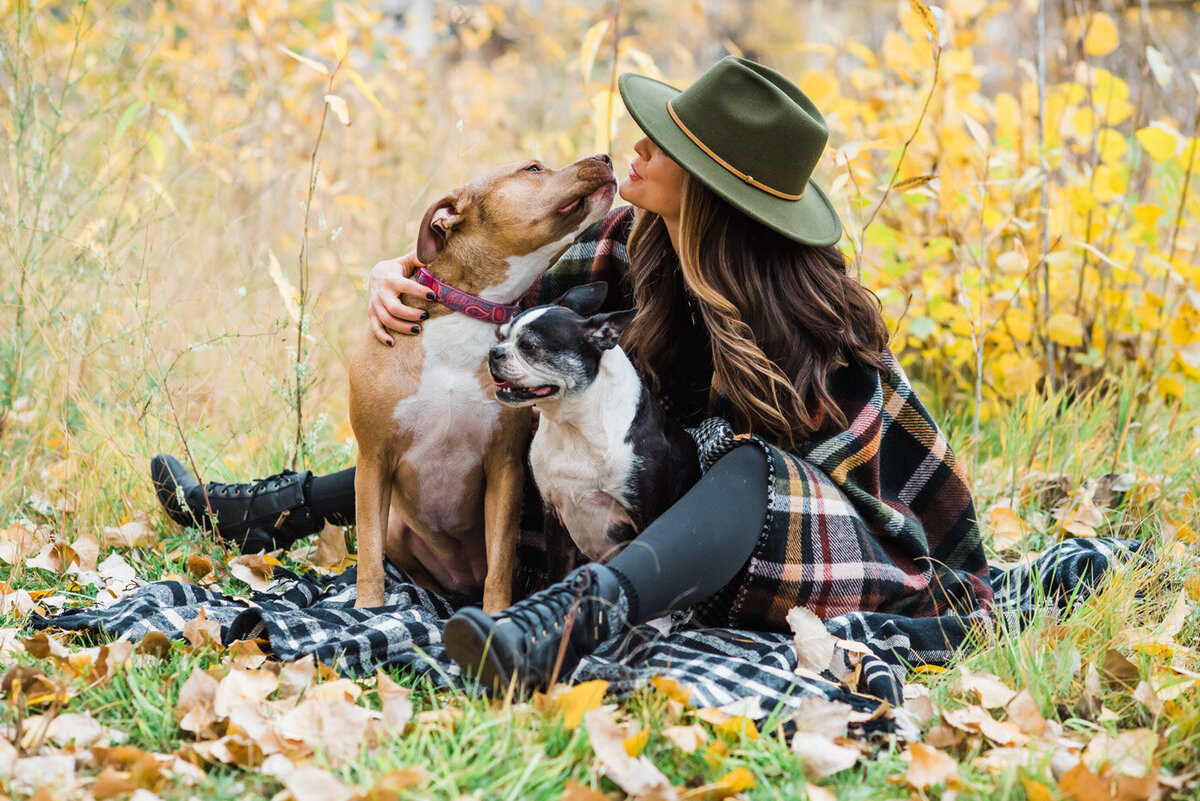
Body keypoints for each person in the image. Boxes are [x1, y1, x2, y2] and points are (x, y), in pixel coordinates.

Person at [152, 57, 992, 688]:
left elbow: (886, 494)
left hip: (784, 544)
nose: (635, 143)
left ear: (708, 185)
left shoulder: (816, 323)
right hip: (627, 509)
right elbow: (481, 298)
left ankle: (568, 622)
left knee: (752, 470)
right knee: (505, 424)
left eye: (661, 141)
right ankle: (272, 508)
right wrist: (400, 273)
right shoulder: (631, 242)